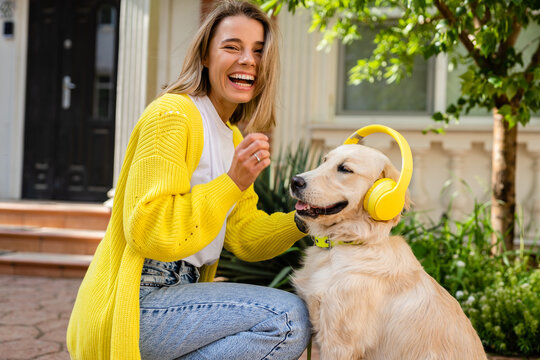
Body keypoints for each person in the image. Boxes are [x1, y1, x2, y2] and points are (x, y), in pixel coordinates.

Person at [66, 1, 311, 359]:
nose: (248, 60)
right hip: (137, 299)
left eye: (258, 51)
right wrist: (232, 181)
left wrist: (307, 217)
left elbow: (244, 236)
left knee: (287, 319)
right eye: (232, 46)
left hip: (181, 294)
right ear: (206, 56)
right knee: (286, 319)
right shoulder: (172, 114)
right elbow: (147, 228)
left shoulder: (231, 137)